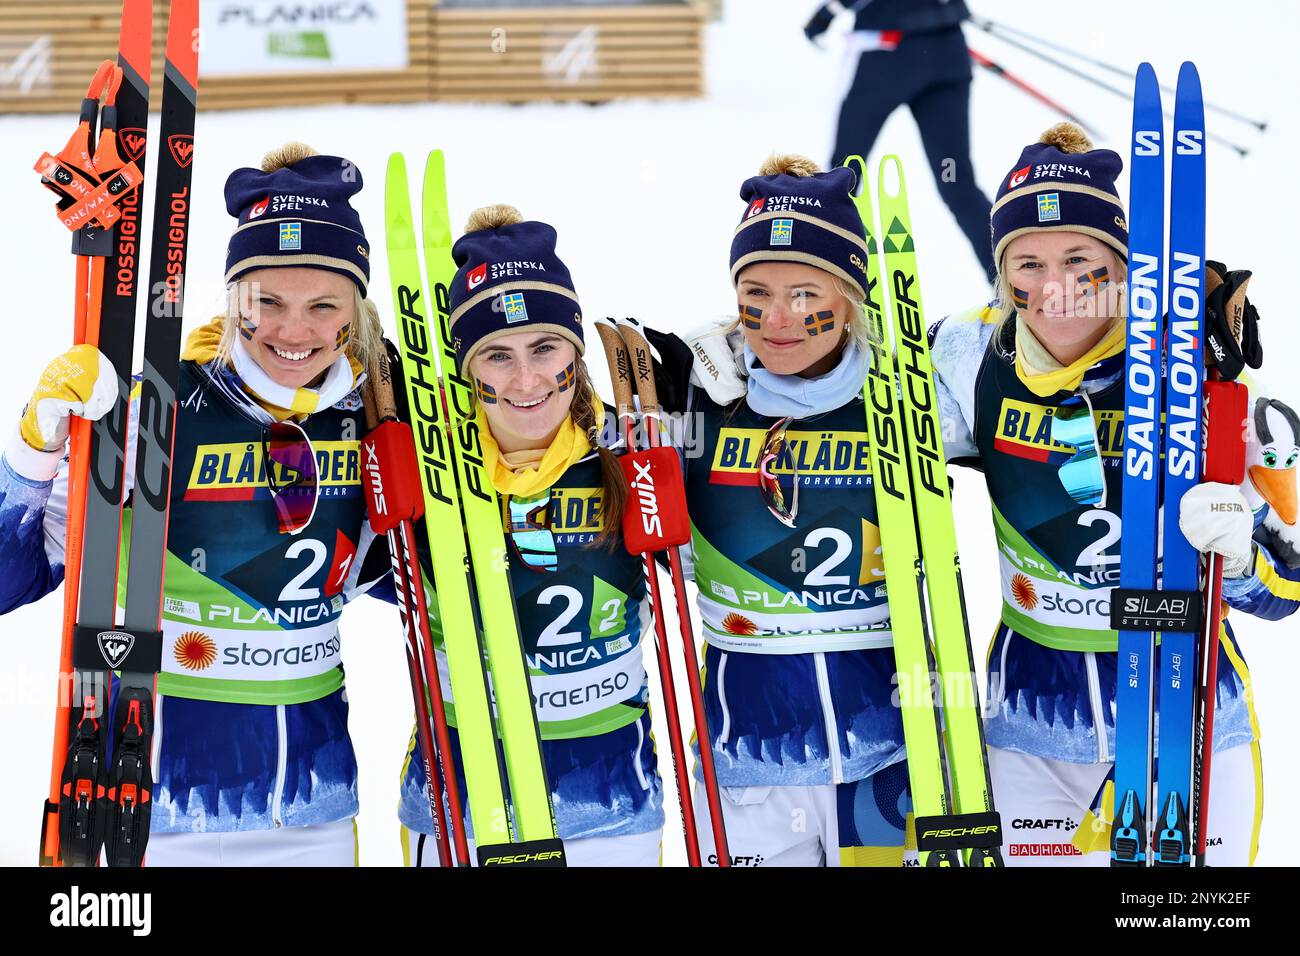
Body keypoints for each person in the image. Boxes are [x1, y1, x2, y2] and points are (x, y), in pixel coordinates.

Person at [0, 142, 394, 866]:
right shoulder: (158, 406)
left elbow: (434, 587)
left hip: (318, 815)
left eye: (322, 305)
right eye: (266, 301)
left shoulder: (374, 417)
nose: (293, 331)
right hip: (148, 810)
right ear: (233, 296)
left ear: (354, 309)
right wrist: (34, 446)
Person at [928, 122, 1299, 865]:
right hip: (1034, 727)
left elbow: (1289, 584)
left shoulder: (1200, 371)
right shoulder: (968, 354)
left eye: (1079, 257)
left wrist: (1244, 529)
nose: (1054, 283)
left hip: (1191, 718)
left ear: (1125, 265)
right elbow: (835, 405)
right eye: (1026, 262)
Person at [644, 154, 913, 867]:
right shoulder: (694, 398)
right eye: (755, 292)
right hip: (747, 762)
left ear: (852, 295)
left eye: (805, 292)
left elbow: (1045, 372)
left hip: (892, 757)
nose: (779, 317)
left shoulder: (908, 396)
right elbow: (563, 426)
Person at [397, 205, 665, 867]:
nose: (525, 380)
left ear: (575, 351)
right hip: (460, 799)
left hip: (612, 802)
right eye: (496, 354)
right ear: (469, 369)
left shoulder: (629, 456)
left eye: (544, 347)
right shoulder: (429, 471)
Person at [804, 0, 994, 281]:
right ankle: (1012, 288)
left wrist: (826, 14)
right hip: (945, 56)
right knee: (955, 180)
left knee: (843, 174)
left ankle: (823, 284)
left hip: (885, 57)